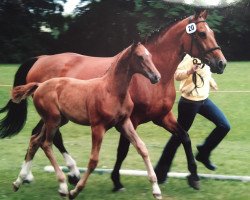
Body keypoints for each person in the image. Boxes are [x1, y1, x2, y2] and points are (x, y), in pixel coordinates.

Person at [154, 54, 231, 183]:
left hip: (203, 100)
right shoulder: (189, 58)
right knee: (178, 137)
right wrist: (189, 71)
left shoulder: (205, 55)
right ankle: (160, 172)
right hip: (189, 103)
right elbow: (177, 75)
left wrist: (211, 81)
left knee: (224, 126)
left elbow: (204, 71)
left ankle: (203, 153)